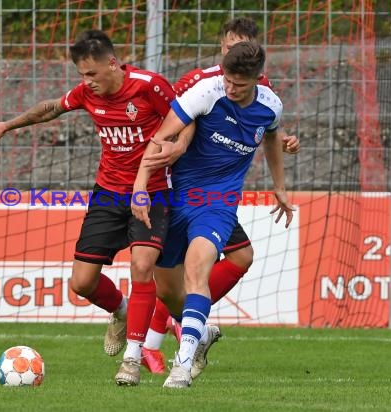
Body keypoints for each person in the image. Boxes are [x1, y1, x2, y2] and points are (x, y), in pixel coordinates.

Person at [0, 29, 176, 387]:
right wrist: (7, 125)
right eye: (82, 76)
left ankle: (132, 359)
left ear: (112, 64)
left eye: (92, 74)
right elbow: (52, 108)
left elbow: (183, 122)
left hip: (154, 191)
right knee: (82, 282)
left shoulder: (150, 86)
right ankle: (121, 312)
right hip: (108, 194)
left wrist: (165, 162)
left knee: (142, 265)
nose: (87, 82)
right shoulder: (86, 94)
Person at [140, 16, 301, 376]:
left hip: (217, 202)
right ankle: (197, 331)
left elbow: (272, 134)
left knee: (200, 268)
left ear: (257, 73)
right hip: (174, 195)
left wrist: (279, 187)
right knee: (167, 287)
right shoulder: (204, 86)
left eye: (238, 84)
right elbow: (167, 130)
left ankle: (178, 366)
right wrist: (146, 178)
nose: (230, 88)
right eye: (227, 48)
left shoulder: (270, 102)